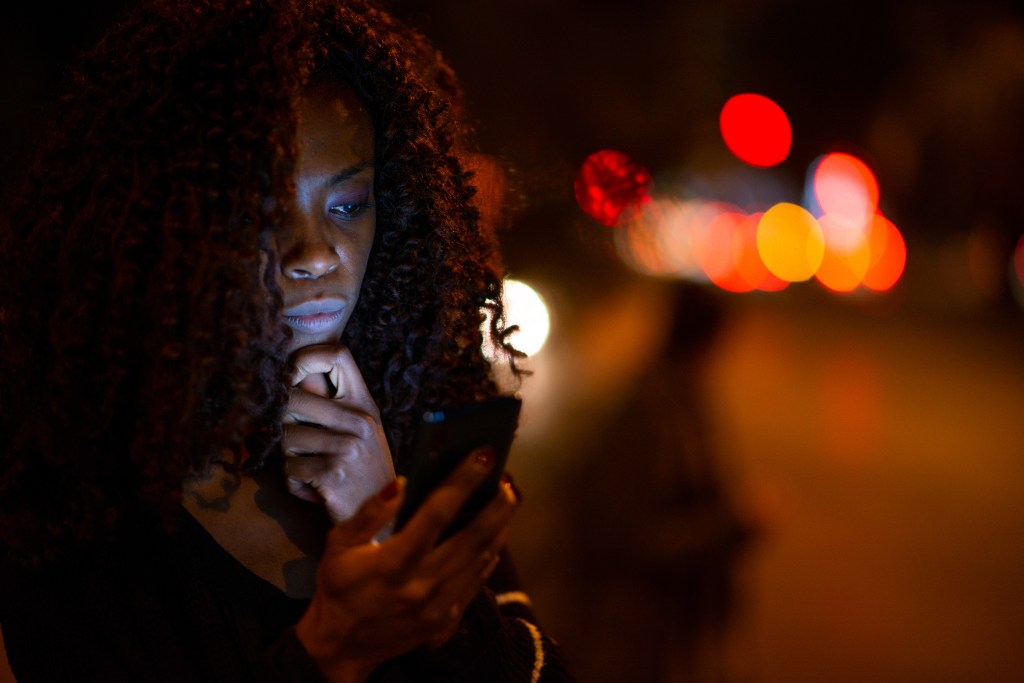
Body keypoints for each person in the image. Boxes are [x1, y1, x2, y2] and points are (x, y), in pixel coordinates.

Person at [0, 0, 572, 681]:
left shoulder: (421, 427)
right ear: (167, 227)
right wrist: (333, 647)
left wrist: (389, 523)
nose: (313, 253)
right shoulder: (77, 503)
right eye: (261, 210)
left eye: (347, 205)